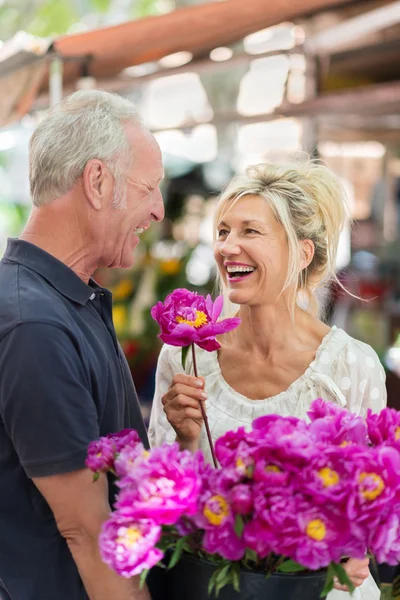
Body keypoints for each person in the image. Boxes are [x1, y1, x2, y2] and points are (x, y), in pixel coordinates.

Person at [149, 160, 386, 600]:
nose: (227, 247)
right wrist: (184, 441)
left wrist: (357, 543)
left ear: (302, 253)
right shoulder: (186, 356)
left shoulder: (352, 366)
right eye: (222, 231)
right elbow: (165, 514)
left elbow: (369, 509)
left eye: (249, 232)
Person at [0, 90, 164, 600]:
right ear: (97, 181)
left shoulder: (61, 299)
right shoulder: (35, 324)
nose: (158, 210)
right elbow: (89, 533)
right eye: (149, 188)